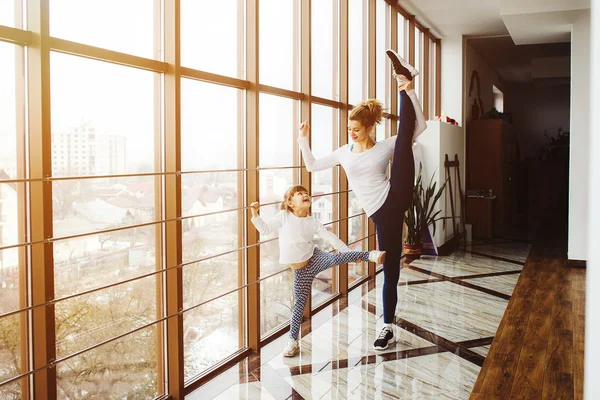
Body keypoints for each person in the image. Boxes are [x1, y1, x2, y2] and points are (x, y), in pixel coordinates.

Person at [297, 49, 426, 350]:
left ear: (369, 128)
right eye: (349, 130)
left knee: (404, 140)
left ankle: (405, 83)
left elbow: (418, 129)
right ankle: (387, 327)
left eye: (356, 129)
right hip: (382, 214)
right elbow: (313, 165)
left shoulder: (383, 148)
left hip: (396, 195)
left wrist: (412, 96)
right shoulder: (344, 152)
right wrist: (303, 139)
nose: (351, 133)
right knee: (390, 266)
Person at [250, 185, 386, 357]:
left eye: (306, 193)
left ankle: (371, 255)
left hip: (314, 258)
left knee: (335, 258)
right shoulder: (284, 216)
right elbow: (265, 229)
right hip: (301, 272)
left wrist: (348, 253)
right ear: (290, 203)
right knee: (299, 305)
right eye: (300, 194)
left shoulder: (313, 222)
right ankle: (292, 342)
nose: (305, 195)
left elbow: (331, 239)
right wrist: (255, 214)